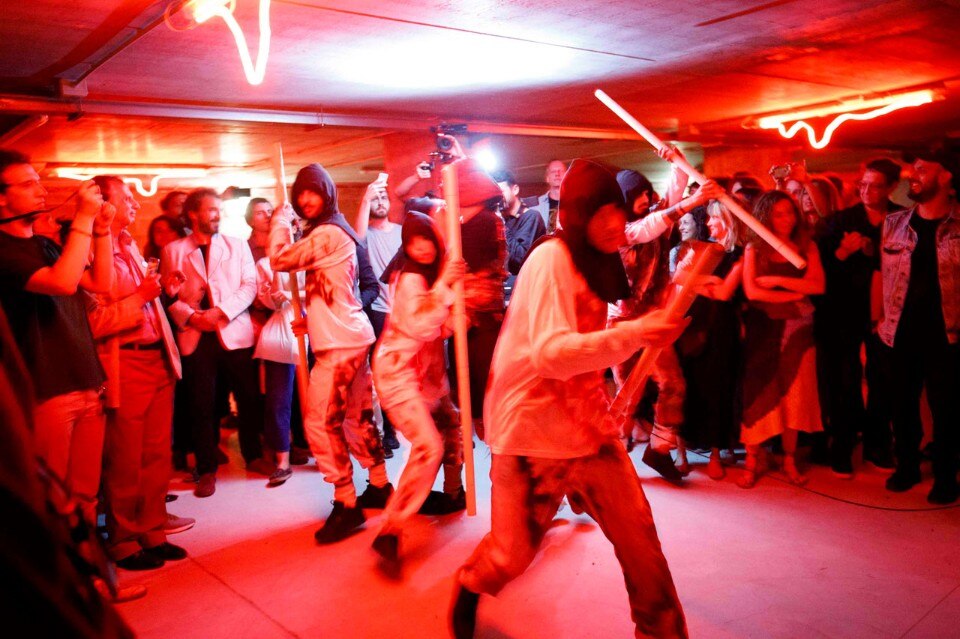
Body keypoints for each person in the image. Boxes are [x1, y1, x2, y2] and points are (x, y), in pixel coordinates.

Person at [451, 159, 690, 639]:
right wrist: (637, 333)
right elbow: (550, 355)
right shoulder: (551, 259)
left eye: (617, 211)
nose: (615, 224)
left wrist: (635, 333)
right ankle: (470, 583)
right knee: (510, 555)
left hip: (587, 425)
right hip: (529, 432)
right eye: (601, 213)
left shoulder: (596, 259)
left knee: (641, 544)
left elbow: (590, 343)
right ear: (579, 214)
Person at [269, 163, 392, 543]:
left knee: (321, 423)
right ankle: (379, 484)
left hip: (340, 344)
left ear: (327, 192)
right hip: (348, 335)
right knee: (357, 417)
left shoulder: (327, 233)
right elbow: (335, 289)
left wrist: (279, 221)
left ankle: (346, 503)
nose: (306, 200)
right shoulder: (337, 230)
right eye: (300, 194)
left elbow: (280, 260)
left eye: (312, 192)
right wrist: (314, 321)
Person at [0, 149, 114, 526]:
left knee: (85, 495)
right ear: (2, 198)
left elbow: (100, 282)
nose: (41, 190)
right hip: (45, 391)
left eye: (39, 182)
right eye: (27, 184)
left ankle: (90, 566)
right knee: (53, 501)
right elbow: (62, 282)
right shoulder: (4, 252)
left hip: (85, 379)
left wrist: (102, 231)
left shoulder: (44, 245)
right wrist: (83, 217)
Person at [85, 176, 189, 570]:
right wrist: (141, 296)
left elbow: (143, 299)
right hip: (124, 361)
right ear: (103, 205)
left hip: (157, 357)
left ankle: (152, 531)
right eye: (127, 197)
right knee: (126, 458)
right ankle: (124, 540)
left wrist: (162, 292)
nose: (135, 203)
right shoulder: (90, 254)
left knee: (157, 455)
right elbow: (93, 322)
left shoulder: (129, 244)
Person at [371, 212, 466, 561]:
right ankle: (391, 528)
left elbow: (439, 328)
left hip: (417, 374)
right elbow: (420, 325)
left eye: (427, 239)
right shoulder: (411, 277)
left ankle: (397, 522)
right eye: (413, 241)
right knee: (429, 447)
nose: (422, 247)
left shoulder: (427, 275)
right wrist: (445, 287)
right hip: (397, 372)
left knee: (435, 441)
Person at [161, 188, 267, 498]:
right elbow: (167, 295)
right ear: (194, 214)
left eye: (219, 209)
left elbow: (250, 285)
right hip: (195, 335)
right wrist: (193, 317)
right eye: (211, 209)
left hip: (232, 329)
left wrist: (220, 312)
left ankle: (253, 454)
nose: (217, 214)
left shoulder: (237, 245)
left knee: (248, 397)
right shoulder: (173, 250)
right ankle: (206, 468)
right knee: (201, 404)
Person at [880, 143, 960, 505]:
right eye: (913, 167)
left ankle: (945, 476)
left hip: (948, 333)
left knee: (947, 410)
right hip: (901, 330)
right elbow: (883, 275)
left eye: (923, 168)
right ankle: (907, 466)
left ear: (946, 176)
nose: (913, 174)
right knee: (902, 405)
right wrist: (879, 321)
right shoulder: (894, 223)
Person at [816, 158, 903, 477]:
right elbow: (820, 268)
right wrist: (843, 253)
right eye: (862, 185)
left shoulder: (901, 219)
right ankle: (842, 445)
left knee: (884, 380)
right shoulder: (842, 220)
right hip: (844, 311)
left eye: (875, 186)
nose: (866, 191)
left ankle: (878, 445)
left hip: (888, 311)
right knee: (845, 381)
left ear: (891, 187)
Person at [739, 191, 825, 488]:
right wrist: (795, 294)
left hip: (798, 329)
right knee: (758, 391)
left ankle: (789, 458)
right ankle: (752, 459)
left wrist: (777, 281)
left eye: (790, 212)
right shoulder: (754, 247)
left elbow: (818, 285)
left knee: (795, 395)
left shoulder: (807, 244)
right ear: (766, 217)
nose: (787, 219)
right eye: (778, 214)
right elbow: (752, 292)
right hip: (764, 327)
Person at [675, 201, 744, 479]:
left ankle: (715, 453)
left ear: (728, 220)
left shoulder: (739, 254)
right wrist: (709, 282)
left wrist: (697, 282)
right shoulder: (701, 248)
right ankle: (680, 452)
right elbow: (678, 276)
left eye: (714, 218)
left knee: (718, 390)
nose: (708, 223)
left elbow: (725, 293)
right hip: (693, 323)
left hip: (721, 328)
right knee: (687, 386)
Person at [355, 174, 403, 453]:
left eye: (384, 198)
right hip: (379, 311)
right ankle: (387, 431)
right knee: (380, 372)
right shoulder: (365, 235)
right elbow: (358, 237)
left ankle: (404, 422)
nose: (381, 202)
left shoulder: (401, 231)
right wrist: (366, 197)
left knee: (405, 370)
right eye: (376, 199)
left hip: (404, 310)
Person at [253, 253, 306, 487]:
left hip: (316, 328)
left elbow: (324, 291)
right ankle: (282, 459)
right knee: (278, 399)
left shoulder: (310, 257)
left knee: (314, 399)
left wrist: (293, 295)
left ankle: (315, 449)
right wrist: (277, 271)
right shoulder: (265, 264)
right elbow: (270, 301)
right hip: (283, 333)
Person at [491, 168, 546, 302]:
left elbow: (520, 259)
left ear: (515, 189)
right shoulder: (499, 220)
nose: (498, 197)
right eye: (495, 192)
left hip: (527, 292)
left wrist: (501, 225)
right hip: (504, 292)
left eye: (501, 191)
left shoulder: (531, 217)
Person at [522, 159, 566, 232]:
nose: (557, 174)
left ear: (567, 176)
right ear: (547, 178)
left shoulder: (576, 204)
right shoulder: (536, 206)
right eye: (553, 171)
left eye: (561, 171)